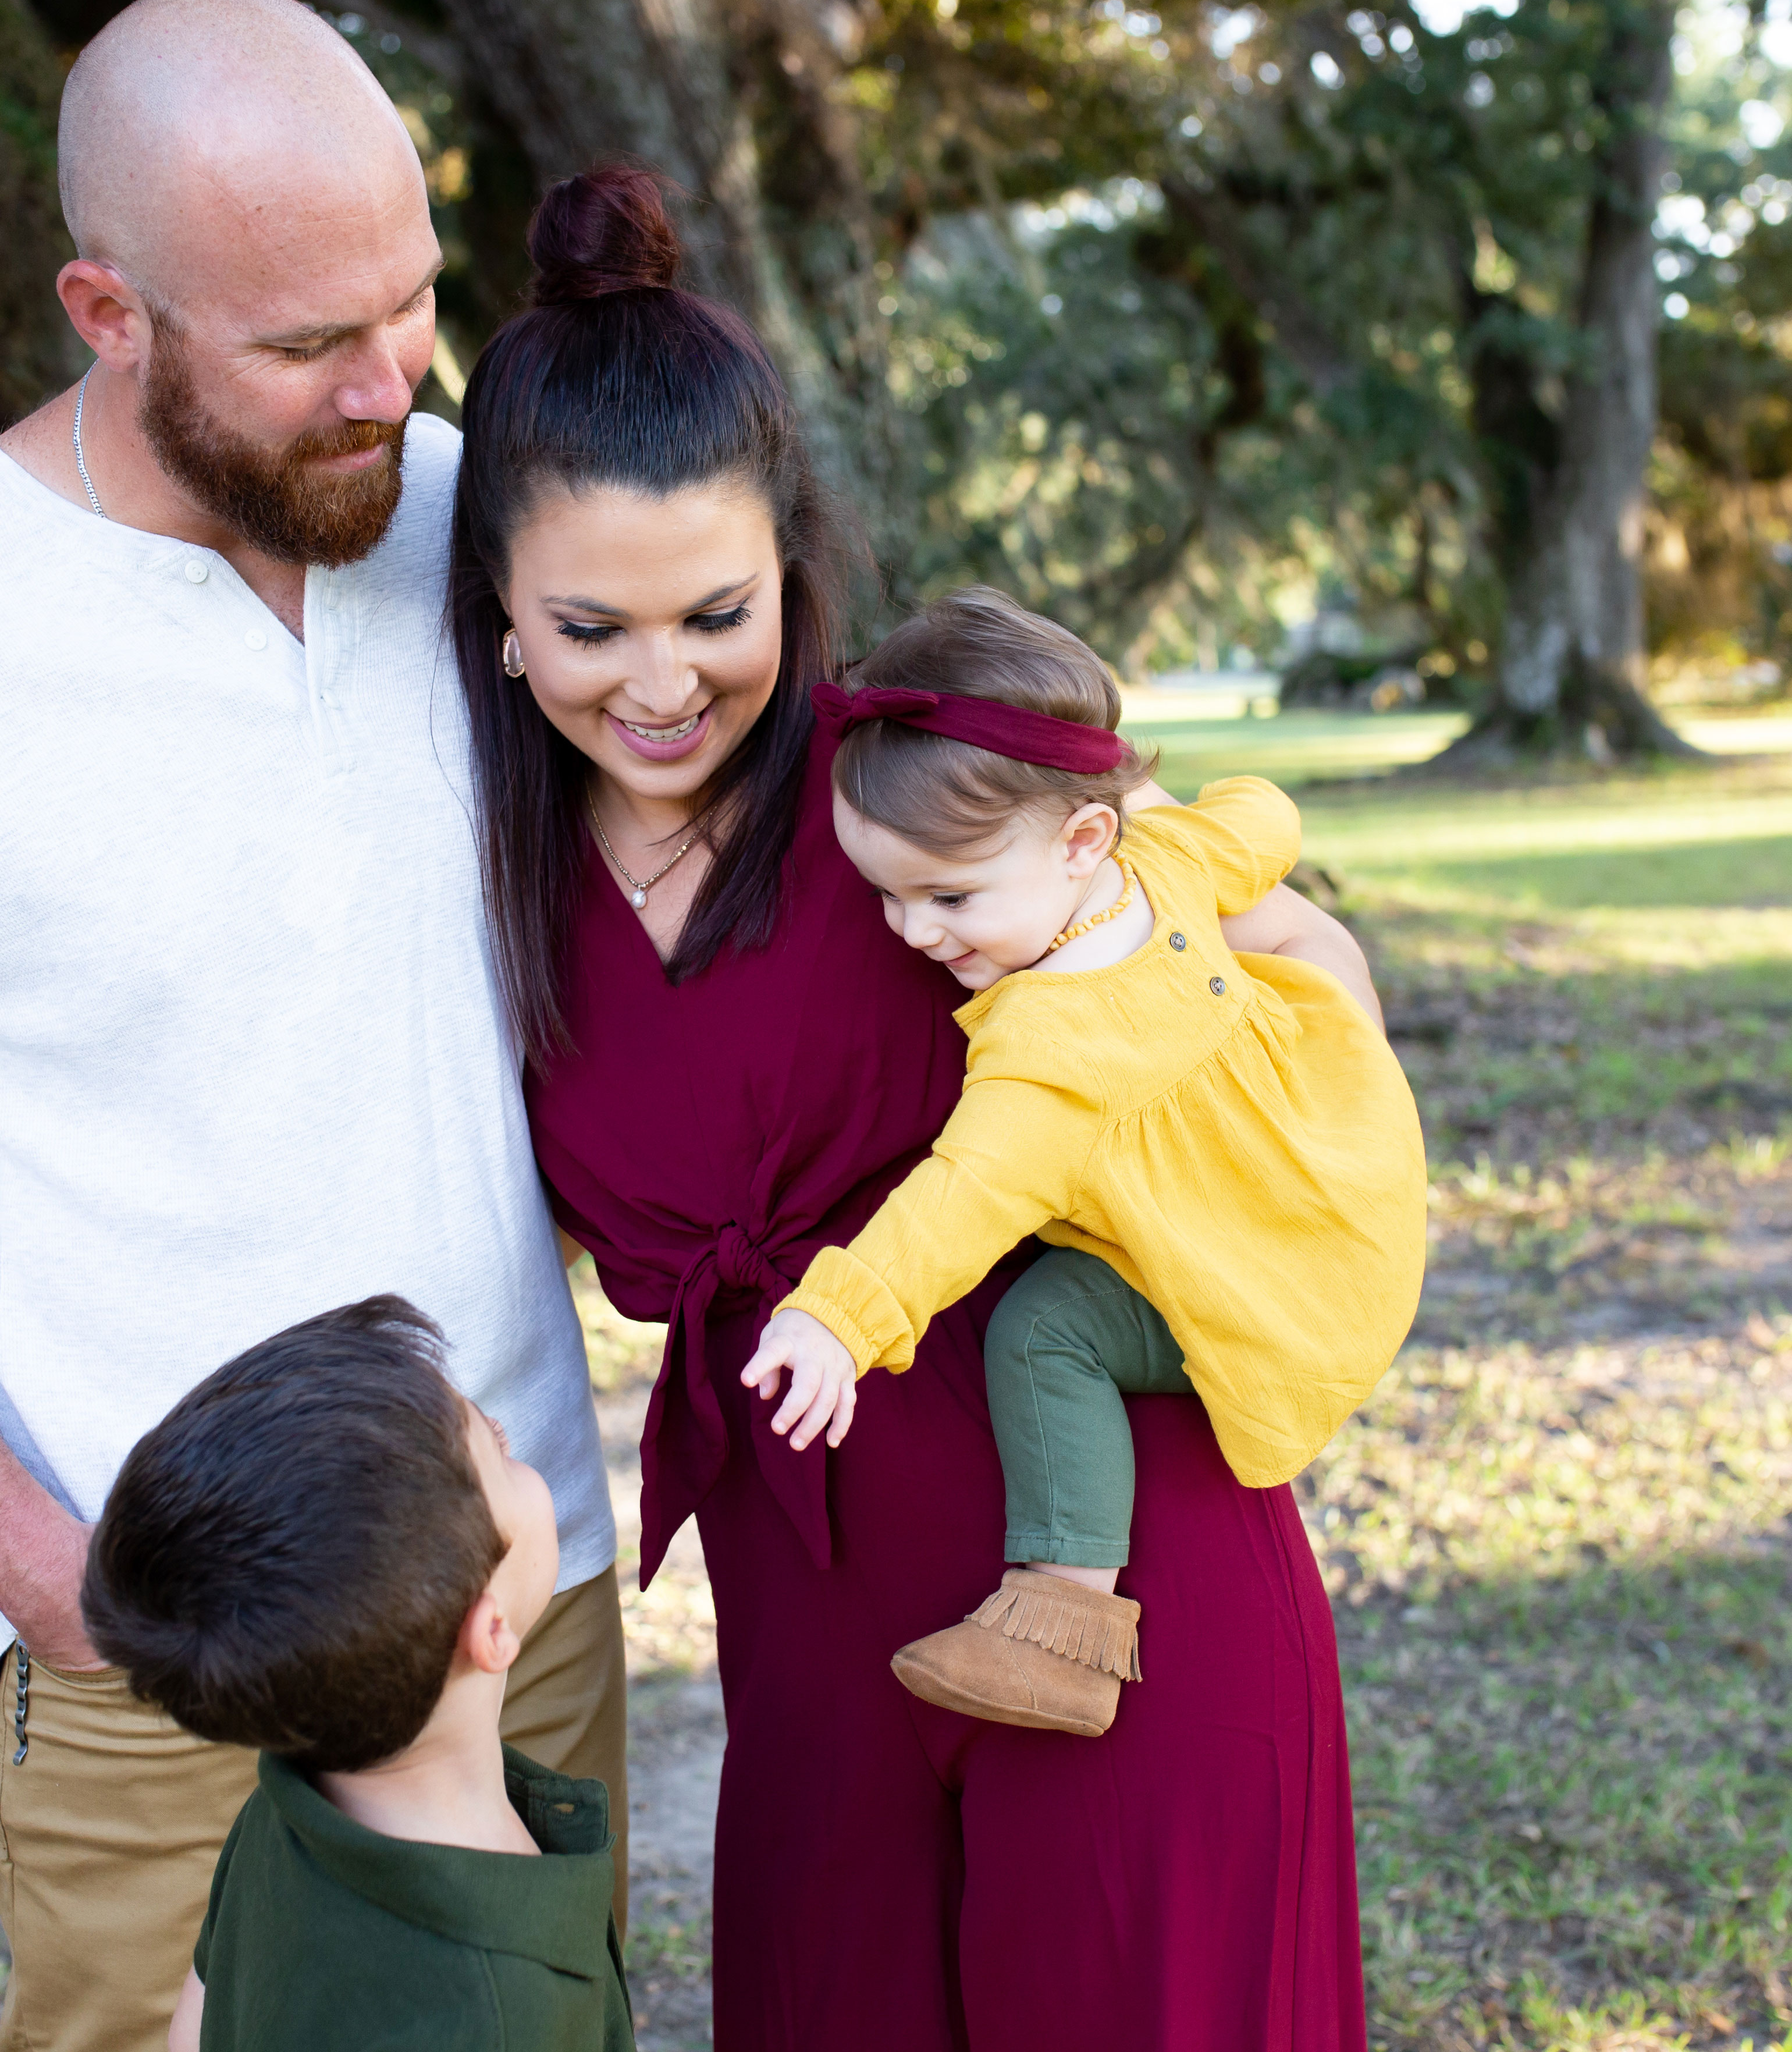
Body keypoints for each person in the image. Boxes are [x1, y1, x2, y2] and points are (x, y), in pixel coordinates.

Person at [0, 0, 624, 2052]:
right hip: (160, 1670)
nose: (389, 385)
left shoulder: (482, 525)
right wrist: (59, 1578)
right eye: (302, 345)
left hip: (532, 1608)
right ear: (110, 309)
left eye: (411, 302)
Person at [449, 162, 1373, 2050]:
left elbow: (1278, 946)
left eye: (716, 609)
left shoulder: (915, 803)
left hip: (1116, 1563)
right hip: (813, 1606)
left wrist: (1301, 1222)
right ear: (500, 613)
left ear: (792, 557)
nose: (661, 681)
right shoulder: (476, 878)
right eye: (591, 626)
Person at [737, 588, 1427, 1737]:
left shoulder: (1049, 1050)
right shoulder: (1164, 858)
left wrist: (835, 1321)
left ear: (1079, 840)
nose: (913, 933)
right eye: (888, 897)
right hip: (1334, 1200)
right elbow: (1261, 819)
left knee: (1045, 1326)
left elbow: (956, 1204)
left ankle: (1064, 1619)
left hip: (1266, 1272)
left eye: (949, 895)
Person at [80, 1297, 634, 2052]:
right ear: (491, 1629)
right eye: (498, 1460)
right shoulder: (499, 2008)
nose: (505, 1434)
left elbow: (195, 2033)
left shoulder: (286, 1819)